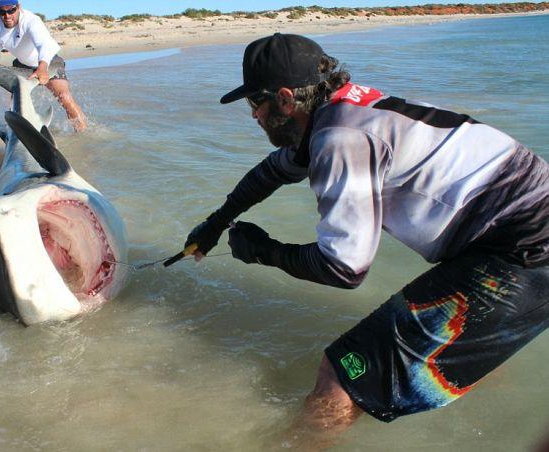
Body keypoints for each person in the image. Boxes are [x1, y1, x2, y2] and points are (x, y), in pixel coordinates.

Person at [184, 33, 548, 435]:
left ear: (285, 99)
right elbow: (271, 172)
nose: (253, 115)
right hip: (519, 234)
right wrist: (216, 223)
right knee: (456, 343)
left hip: (524, 249)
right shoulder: (347, 107)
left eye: (256, 102)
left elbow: (343, 268)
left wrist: (262, 251)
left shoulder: (340, 138)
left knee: (341, 375)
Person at [0, 0, 87, 132]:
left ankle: (82, 134)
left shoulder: (31, 20)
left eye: (11, 10)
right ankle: (17, 136)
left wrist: (42, 67)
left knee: (64, 96)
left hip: (48, 61)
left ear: (18, 7)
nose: (6, 16)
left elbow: (44, 45)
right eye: (1, 11)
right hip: (22, 65)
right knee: (16, 106)